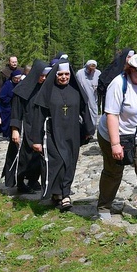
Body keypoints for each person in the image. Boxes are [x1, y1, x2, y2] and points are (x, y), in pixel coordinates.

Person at [96, 53, 137, 222]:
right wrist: (115, 144)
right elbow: (111, 115)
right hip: (114, 135)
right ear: (131, 69)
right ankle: (104, 206)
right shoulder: (118, 85)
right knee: (113, 171)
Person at [29, 61, 94, 211]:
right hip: (52, 131)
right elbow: (39, 115)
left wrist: (88, 130)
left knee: (70, 162)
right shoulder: (47, 91)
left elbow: (84, 110)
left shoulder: (76, 91)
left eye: (66, 74)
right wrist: (36, 140)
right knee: (57, 161)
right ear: (55, 75)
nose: (63, 77)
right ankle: (58, 192)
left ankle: (65, 193)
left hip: (72, 132)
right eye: (60, 74)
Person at [4, 60, 49, 194]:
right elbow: (16, 111)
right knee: (23, 156)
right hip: (25, 127)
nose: (44, 78)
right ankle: (20, 181)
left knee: (38, 156)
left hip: (39, 126)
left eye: (46, 75)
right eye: (41, 75)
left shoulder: (45, 88)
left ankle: (33, 179)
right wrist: (15, 130)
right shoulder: (22, 88)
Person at [75, 59, 101, 130]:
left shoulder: (98, 73)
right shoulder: (80, 73)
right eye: (89, 69)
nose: (91, 71)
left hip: (93, 98)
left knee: (93, 113)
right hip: (83, 97)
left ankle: (92, 129)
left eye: (93, 69)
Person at [0, 69, 22, 137]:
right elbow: (2, 96)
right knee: (6, 122)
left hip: (16, 106)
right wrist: (11, 98)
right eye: (16, 78)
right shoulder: (8, 84)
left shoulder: (20, 83)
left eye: (19, 78)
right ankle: (6, 134)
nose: (17, 80)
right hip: (7, 106)